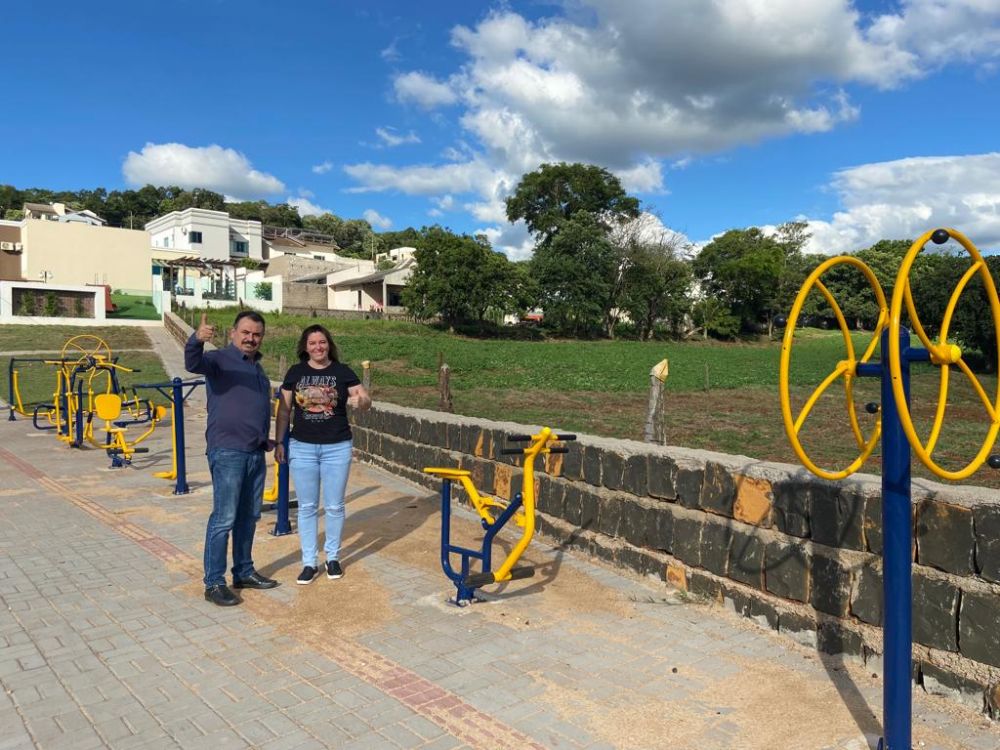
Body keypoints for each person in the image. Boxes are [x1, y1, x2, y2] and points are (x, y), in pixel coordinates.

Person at [185, 310, 279, 606]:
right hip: (227, 450)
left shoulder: (258, 369)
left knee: (249, 516)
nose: (251, 338)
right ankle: (213, 582)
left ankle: (244, 571)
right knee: (224, 518)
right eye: (246, 333)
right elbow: (193, 363)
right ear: (233, 333)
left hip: (254, 451)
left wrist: (267, 439)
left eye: (257, 334)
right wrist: (196, 341)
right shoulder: (219, 359)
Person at [274, 324, 370, 584]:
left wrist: (360, 401)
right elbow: (283, 410)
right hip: (302, 447)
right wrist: (280, 441)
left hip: (336, 447)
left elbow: (365, 398)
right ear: (305, 347)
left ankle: (333, 558)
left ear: (329, 345)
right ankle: (308, 563)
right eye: (313, 343)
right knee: (306, 507)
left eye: (323, 342)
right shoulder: (296, 373)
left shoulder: (342, 371)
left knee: (335, 505)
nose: (318, 347)